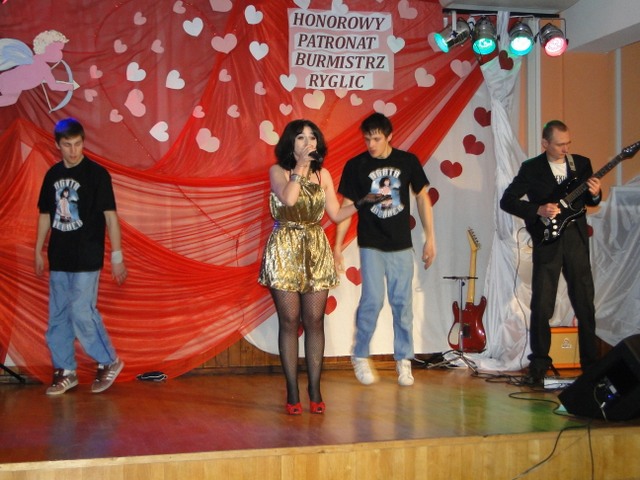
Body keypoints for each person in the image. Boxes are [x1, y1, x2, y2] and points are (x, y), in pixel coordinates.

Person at [258, 119, 384, 415]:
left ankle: (314, 389)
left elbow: (336, 214)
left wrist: (363, 201)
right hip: (284, 248)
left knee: (314, 321)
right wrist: (301, 167)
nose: (308, 143)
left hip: (315, 249)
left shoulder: (323, 174)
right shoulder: (278, 171)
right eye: (301, 138)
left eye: (312, 138)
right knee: (290, 321)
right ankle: (292, 392)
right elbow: (289, 199)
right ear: (291, 143)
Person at [334, 112, 437, 387]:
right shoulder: (356, 165)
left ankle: (404, 359)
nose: (371, 144)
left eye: (377, 139)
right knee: (372, 300)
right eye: (367, 139)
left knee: (403, 304)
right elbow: (346, 207)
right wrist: (337, 247)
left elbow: (422, 197)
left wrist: (430, 238)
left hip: (401, 243)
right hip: (371, 243)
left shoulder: (407, 161)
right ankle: (360, 354)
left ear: (390, 136)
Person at [500, 120, 601, 386]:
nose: (566, 149)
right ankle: (539, 365)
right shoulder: (531, 168)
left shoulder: (581, 164)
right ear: (545, 144)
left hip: (576, 240)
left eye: (568, 143)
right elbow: (507, 200)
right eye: (559, 144)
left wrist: (595, 194)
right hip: (547, 241)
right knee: (542, 303)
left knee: (584, 302)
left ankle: (591, 367)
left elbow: (589, 201)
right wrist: (537, 209)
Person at [34, 118, 127, 395]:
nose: (73, 151)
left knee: (81, 311)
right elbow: (45, 215)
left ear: (83, 142)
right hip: (59, 256)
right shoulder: (52, 175)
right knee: (58, 314)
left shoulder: (97, 175)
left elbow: (111, 217)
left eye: (77, 144)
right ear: (58, 145)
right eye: (67, 145)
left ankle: (108, 361)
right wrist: (38, 249)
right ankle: (65, 370)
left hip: (87, 255)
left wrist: (117, 256)